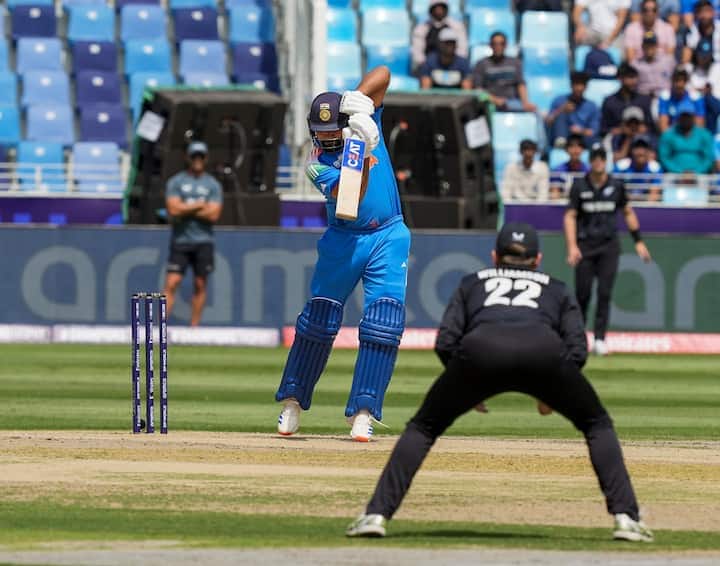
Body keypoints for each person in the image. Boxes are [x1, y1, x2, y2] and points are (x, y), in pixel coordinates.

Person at [346, 222, 654, 544]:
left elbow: (446, 341)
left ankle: (376, 515)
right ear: (537, 260)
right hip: (543, 353)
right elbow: (577, 348)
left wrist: (466, 383)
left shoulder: (472, 283)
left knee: (423, 428)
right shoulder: (556, 287)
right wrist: (553, 391)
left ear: (495, 257)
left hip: (480, 352)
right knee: (596, 424)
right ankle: (627, 519)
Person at [275, 66, 411, 442]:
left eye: (332, 132)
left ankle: (364, 411)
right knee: (318, 321)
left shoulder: (363, 120)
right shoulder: (317, 165)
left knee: (383, 322)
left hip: (389, 234)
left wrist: (359, 100)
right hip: (344, 239)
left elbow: (383, 73)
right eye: (321, 133)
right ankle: (293, 401)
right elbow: (349, 200)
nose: (327, 138)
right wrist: (359, 151)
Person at [564, 144, 652, 357]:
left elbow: (628, 212)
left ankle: (600, 339)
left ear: (606, 161)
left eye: (602, 158)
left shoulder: (616, 185)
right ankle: (578, 339)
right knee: (583, 294)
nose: (598, 162)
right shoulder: (579, 185)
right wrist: (572, 246)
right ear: (590, 161)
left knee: (604, 293)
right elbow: (570, 216)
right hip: (585, 246)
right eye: (595, 158)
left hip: (608, 246)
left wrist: (638, 241)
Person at [162, 141, 223, 326]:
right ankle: (159, 327)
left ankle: (194, 329)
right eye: (194, 156)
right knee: (172, 282)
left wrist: (185, 208)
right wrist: (199, 205)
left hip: (203, 241)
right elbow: (173, 209)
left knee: (200, 284)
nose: (198, 160)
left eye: (201, 156)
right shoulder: (176, 182)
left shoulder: (212, 184)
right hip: (181, 240)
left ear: (206, 158)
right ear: (187, 158)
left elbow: (214, 215)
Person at [471, 31, 536, 112]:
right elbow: (478, 89)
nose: (498, 46)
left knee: (533, 110)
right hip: (489, 102)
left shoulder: (515, 63)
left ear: (506, 45)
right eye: (495, 44)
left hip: (511, 101)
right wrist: (495, 100)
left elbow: (521, 84)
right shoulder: (481, 64)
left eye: (501, 43)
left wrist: (525, 102)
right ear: (490, 45)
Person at [546, 71, 600, 148]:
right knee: (561, 116)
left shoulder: (592, 106)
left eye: (582, 85)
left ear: (586, 87)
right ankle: (561, 142)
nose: (579, 88)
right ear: (571, 85)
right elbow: (548, 122)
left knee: (595, 141)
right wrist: (561, 110)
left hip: (583, 138)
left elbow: (593, 131)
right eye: (576, 84)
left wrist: (581, 131)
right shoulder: (559, 100)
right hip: (563, 136)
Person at [658, 100, 715, 172]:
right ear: (678, 118)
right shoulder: (668, 135)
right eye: (683, 116)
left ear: (693, 117)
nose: (686, 119)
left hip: (700, 175)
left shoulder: (704, 135)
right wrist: (679, 172)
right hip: (673, 174)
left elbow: (708, 158)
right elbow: (664, 157)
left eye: (688, 116)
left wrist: (696, 172)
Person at [600, 63, 654, 138]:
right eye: (630, 77)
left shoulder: (645, 100)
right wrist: (619, 130)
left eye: (635, 77)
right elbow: (603, 128)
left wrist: (644, 128)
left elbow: (651, 125)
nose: (634, 81)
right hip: (618, 140)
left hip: (641, 139)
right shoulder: (609, 102)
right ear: (620, 78)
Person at [411, 0, 468, 71]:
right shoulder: (421, 28)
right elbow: (417, 53)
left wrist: (453, 64)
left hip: (453, 66)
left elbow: (462, 50)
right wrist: (427, 65)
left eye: (441, 8)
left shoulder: (457, 26)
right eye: (436, 8)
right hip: (429, 66)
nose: (439, 11)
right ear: (431, 10)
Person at [614, 136, 663, 201]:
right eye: (637, 148)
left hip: (646, 204)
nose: (640, 152)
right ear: (631, 150)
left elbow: (654, 195)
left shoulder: (655, 168)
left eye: (644, 148)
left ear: (649, 151)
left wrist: (643, 206)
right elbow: (614, 190)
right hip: (625, 202)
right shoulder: (621, 166)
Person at [658, 67, 706, 131]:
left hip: (691, 134)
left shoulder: (696, 98)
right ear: (672, 81)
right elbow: (663, 126)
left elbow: (699, 126)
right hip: (672, 134)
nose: (679, 84)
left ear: (686, 82)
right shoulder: (665, 97)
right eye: (676, 80)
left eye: (682, 80)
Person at [633, 32, 677, 98]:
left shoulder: (668, 61)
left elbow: (677, 78)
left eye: (652, 44)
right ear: (642, 46)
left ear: (657, 46)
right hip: (643, 97)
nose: (649, 47)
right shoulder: (635, 64)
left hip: (665, 98)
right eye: (647, 45)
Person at [550, 133, 589, 198]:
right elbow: (554, 194)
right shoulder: (558, 171)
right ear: (566, 150)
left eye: (579, 146)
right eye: (572, 146)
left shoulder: (588, 171)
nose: (575, 150)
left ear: (583, 149)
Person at [682, 0, 720, 64]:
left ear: (713, 12)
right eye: (700, 12)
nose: (704, 15)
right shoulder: (692, 30)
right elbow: (686, 56)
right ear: (696, 14)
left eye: (707, 11)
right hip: (698, 65)